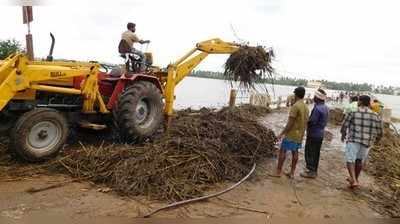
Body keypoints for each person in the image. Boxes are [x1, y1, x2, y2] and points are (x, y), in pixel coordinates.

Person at [340, 95, 383, 188]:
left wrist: (343, 135)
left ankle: (353, 179)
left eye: (359, 101)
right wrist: (376, 141)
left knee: (350, 159)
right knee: (359, 160)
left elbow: (344, 125)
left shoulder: (353, 112)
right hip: (367, 142)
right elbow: (380, 132)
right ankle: (355, 179)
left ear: (360, 102)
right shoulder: (376, 115)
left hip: (353, 139)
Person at [270, 87, 309, 178]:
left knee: (283, 150)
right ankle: (292, 173)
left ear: (295, 95)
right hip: (300, 134)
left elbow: (290, 123)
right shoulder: (306, 107)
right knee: (295, 152)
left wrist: (282, 134)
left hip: (291, 134)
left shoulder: (295, 106)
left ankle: (278, 172)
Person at [300, 89, 329, 178]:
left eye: (315, 96)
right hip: (320, 133)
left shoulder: (317, 108)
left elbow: (312, 121)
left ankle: (311, 171)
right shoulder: (325, 107)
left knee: (310, 152)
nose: (313, 98)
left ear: (317, 98)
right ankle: (314, 170)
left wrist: (305, 121)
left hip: (313, 133)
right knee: (316, 153)